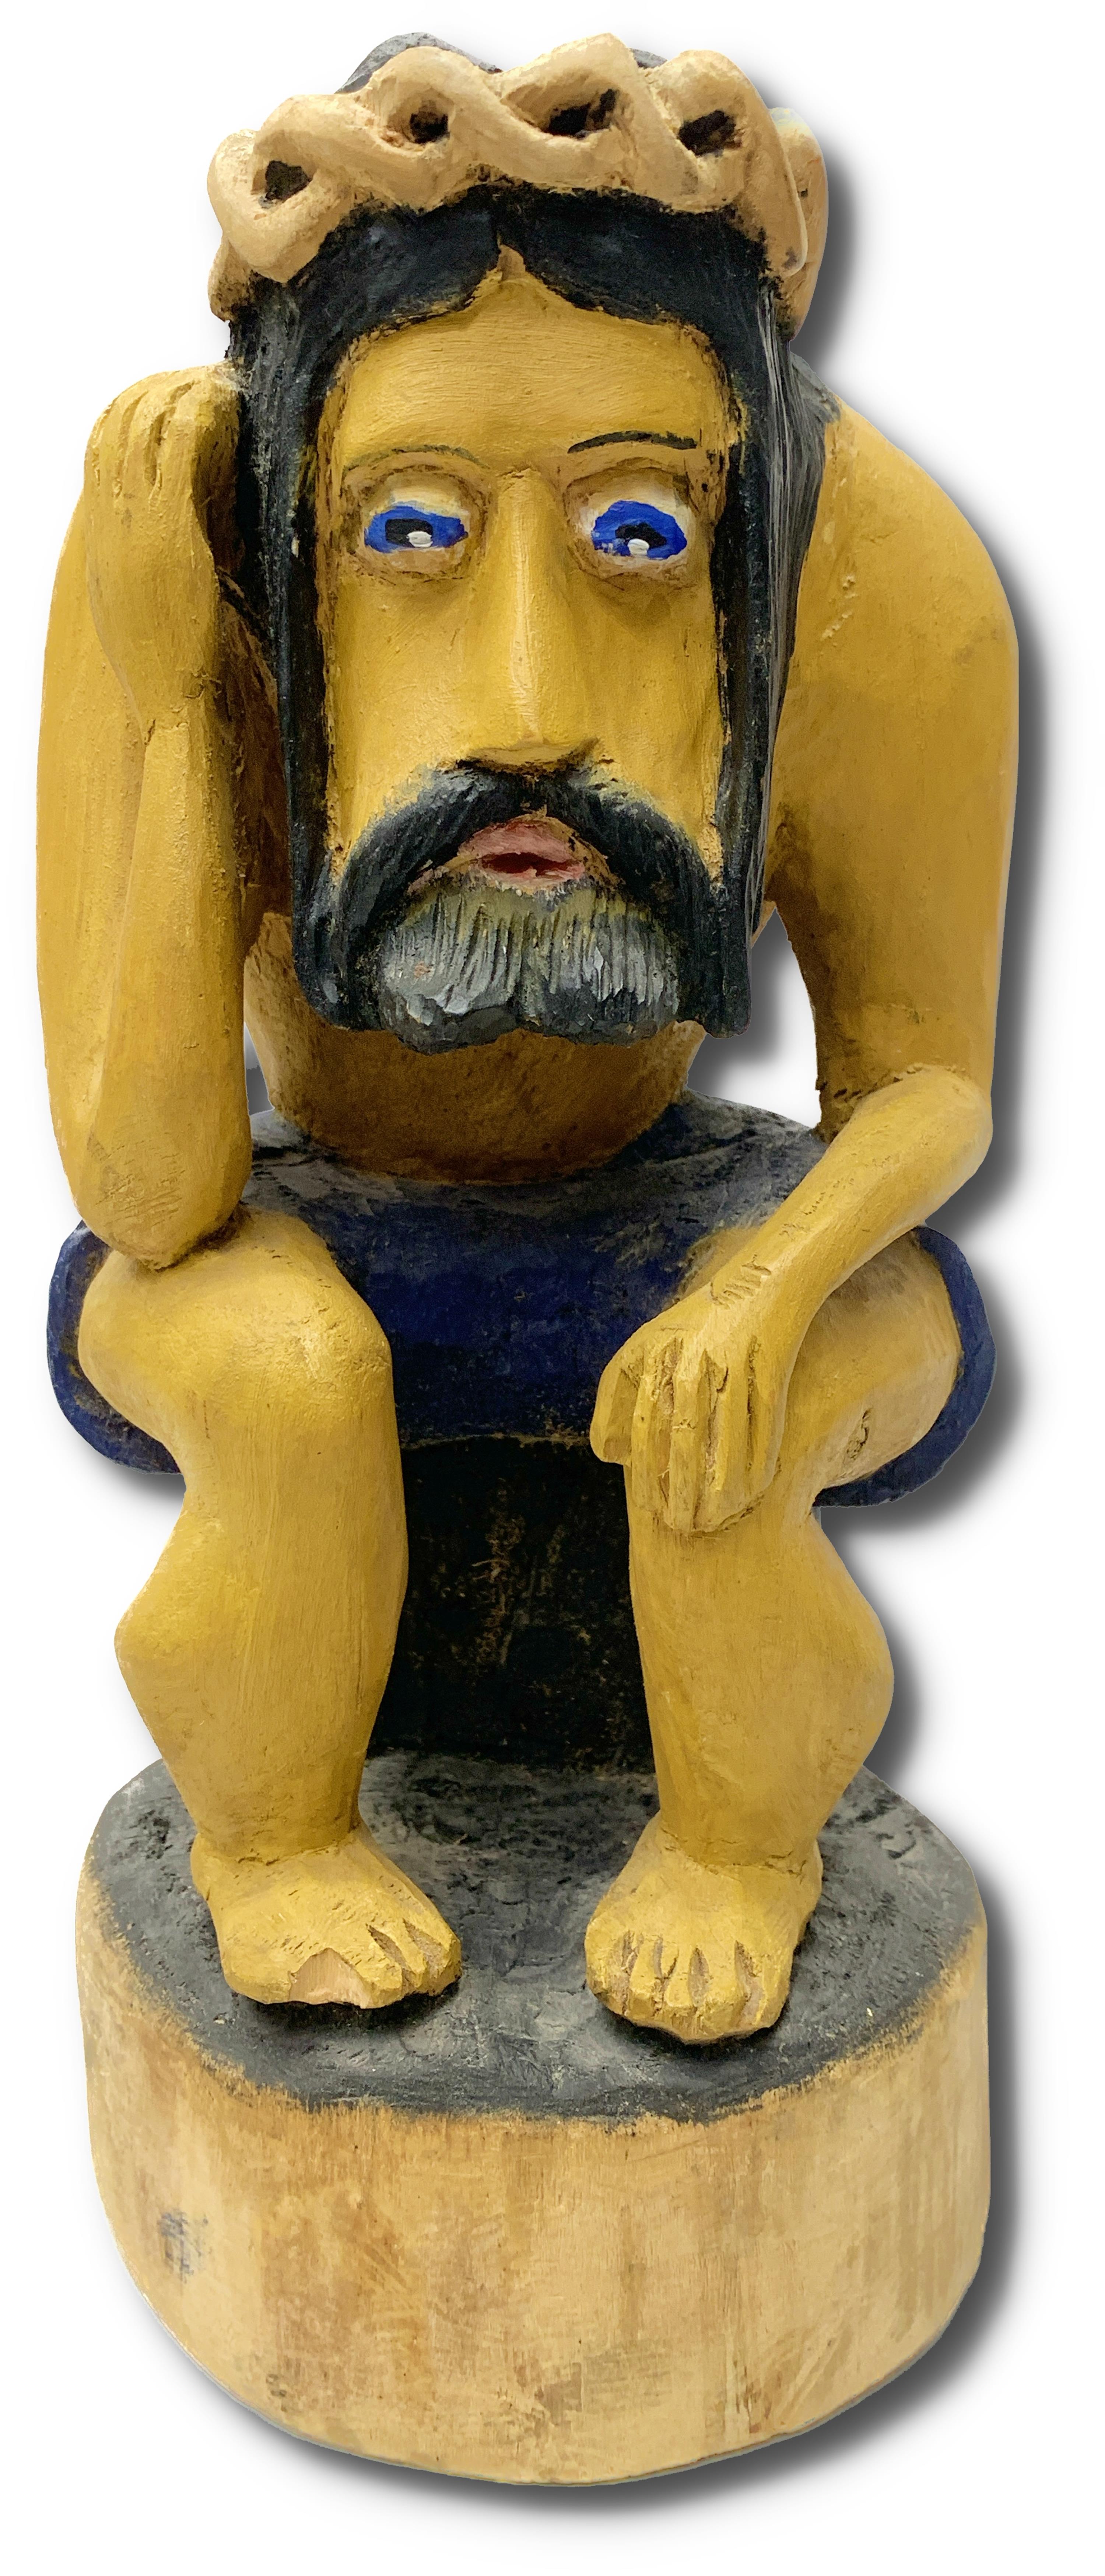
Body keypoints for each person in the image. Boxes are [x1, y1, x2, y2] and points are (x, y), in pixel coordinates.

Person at [38, 38, 1014, 2042]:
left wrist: (762, 1294)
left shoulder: (872, 561)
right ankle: (268, 1842)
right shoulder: (181, 546)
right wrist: (169, 701)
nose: (525, 707)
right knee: (286, 1373)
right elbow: (147, 1195)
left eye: (635, 536)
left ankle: (741, 1847)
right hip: (309, 1217)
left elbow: (925, 1087)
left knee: (727, 1418)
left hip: (687, 1207)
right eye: (408, 533)